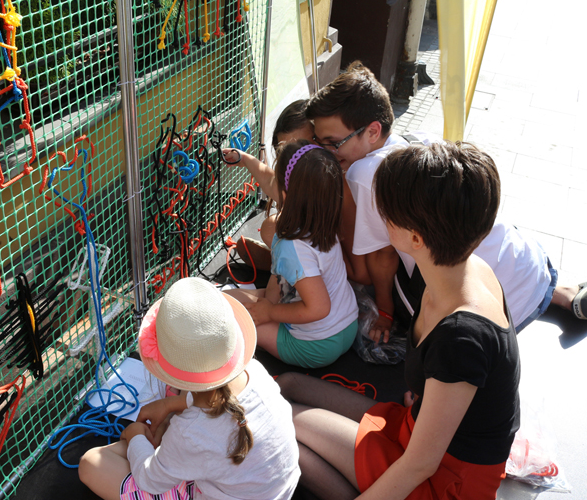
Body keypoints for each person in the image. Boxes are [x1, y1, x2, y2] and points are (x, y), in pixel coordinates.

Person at [278, 142, 520, 500]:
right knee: (288, 384)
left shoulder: (461, 338)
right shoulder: (464, 268)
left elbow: (420, 464)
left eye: (387, 213)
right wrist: (430, 399)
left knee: (282, 422)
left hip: (444, 488)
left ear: (416, 238)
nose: (379, 218)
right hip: (420, 430)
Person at [305, 60, 586, 342]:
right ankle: (566, 295)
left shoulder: (364, 174)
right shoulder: (417, 139)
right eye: (317, 140)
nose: (324, 150)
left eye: (332, 142)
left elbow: (382, 258)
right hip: (528, 266)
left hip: (487, 309)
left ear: (373, 132)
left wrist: (386, 312)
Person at [78, 277, 300, 500]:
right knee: (157, 445)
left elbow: (149, 480)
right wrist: (172, 404)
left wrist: (135, 434)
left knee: (90, 463)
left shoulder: (191, 433)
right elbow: (218, 413)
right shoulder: (256, 372)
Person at [226, 141, 358, 368]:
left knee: (231, 318)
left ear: (286, 195)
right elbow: (284, 284)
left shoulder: (291, 246)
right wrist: (246, 160)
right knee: (229, 299)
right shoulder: (323, 219)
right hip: (347, 326)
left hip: (314, 346)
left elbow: (318, 308)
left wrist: (270, 312)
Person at [222, 99, 316, 270]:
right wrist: (245, 158)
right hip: (312, 251)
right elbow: (270, 180)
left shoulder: (327, 180)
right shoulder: (300, 178)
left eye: (303, 147)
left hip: (327, 263)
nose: (295, 158)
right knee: (270, 227)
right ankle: (281, 260)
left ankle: (284, 263)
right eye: (287, 151)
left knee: (275, 228)